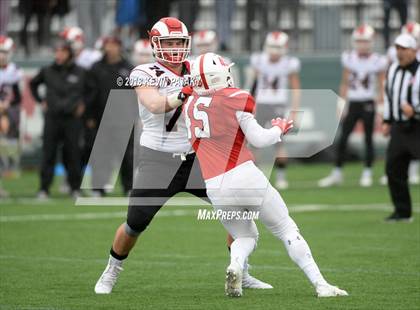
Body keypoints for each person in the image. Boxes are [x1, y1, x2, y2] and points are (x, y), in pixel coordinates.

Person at [94, 17, 270, 295]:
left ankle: (242, 270)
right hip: (158, 159)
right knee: (135, 223)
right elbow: (153, 104)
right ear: (155, 44)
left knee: (239, 210)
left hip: (199, 157)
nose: (175, 48)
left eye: (179, 42)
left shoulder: (201, 66)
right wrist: (185, 90)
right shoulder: (143, 71)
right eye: (169, 43)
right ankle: (111, 271)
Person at [185, 52, 348, 298]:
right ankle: (321, 285)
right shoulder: (234, 98)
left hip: (214, 186)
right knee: (286, 228)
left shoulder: (188, 105)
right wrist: (279, 128)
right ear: (216, 76)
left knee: (244, 235)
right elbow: (260, 140)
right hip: (244, 175)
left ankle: (235, 265)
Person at [318, 24, 387, 188]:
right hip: (354, 102)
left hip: (369, 102)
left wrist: (382, 105)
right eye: (359, 41)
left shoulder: (378, 60)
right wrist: (341, 104)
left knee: (369, 139)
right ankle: (337, 173)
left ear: (371, 41)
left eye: (365, 41)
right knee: (343, 139)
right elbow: (344, 83)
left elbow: (382, 83)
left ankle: (368, 172)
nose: (362, 44)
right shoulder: (349, 58)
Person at [30, 40, 87, 199]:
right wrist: (41, 100)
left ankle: (75, 188)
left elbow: (91, 90)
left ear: (69, 53)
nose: (58, 55)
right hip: (52, 118)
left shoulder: (81, 72)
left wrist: (83, 105)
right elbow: (33, 84)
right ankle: (44, 189)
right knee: (48, 153)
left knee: (73, 154)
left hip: (72, 119)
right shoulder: (47, 70)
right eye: (57, 51)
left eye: (62, 51)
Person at [250, 31, 301, 189]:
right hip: (260, 104)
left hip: (278, 105)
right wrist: (249, 106)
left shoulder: (289, 64)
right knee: (254, 142)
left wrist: (294, 110)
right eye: (272, 47)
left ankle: (281, 177)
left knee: (279, 143)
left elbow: (295, 88)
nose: (274, 51)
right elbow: (253, 85)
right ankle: (256, 177)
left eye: (277, 47)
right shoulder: (259, 60)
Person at [87, 36, 134, 197]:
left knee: (127, 155)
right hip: (101, 118)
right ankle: (98, 188)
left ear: (119, 47)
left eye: (113, 45)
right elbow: (90, 94)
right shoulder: (96, 68)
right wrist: (90, 116)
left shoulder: (129, 68)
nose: (110, 48)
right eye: (107, 45)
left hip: (124, 118)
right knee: (100, 154)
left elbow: (135, 95)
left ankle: (128, 187)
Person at [383, 34, 420, 222]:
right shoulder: (393, 70)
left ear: (414, 50)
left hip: (417, 126)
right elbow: (389, 97)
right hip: (399, 128)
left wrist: (415, 111)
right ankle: (402, 212)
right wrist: (387, 120)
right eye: (397, 48)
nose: (400, 52)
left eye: (404, 48)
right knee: (393, 169)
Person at [0, 36, 23, 198]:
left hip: (5, 114)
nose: (2, 55)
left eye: (4, 52)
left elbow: (17, 97)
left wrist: (6, 107)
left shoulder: (14, 71)